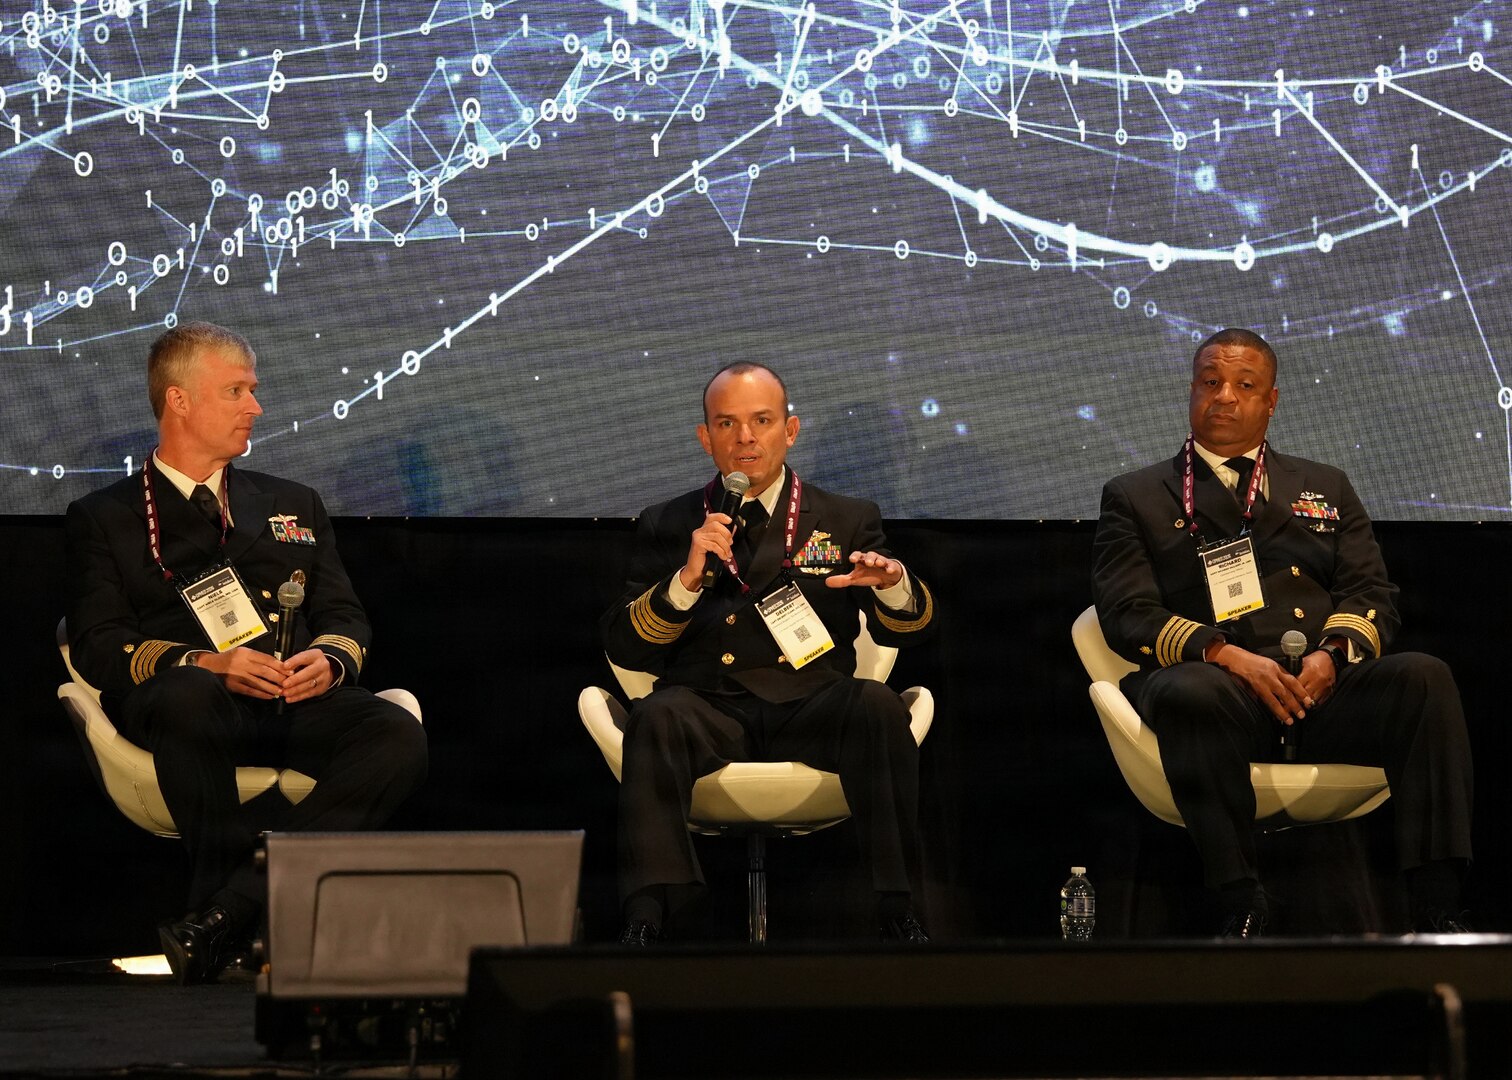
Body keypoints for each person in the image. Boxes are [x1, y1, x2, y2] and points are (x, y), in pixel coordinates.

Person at [65, 321, 428, 982]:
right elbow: (97, 647)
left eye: (253, 390)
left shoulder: (294, 503)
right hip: (190, 705)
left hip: (288, 699)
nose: (255, 407)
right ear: (179, 401)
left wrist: (330, 661)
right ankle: (236, 917)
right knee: (188, 696)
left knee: (396, 735)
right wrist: (206, 662)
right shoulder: (105, 516)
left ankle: (227, 914)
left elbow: (343, 616)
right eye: (236, 390)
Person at [1091, 327, 1473, 937]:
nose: (1224, 397)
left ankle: (1438, 903)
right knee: (1189, 691)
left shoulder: (1325, 484)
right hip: (1220, 687)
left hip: (1317, 687)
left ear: (1271, 401)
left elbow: (1372, 594)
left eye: (1244, 385)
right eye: (1210, 382)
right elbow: (1125, 612)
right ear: (1191, 392)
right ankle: (1239, 899)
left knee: (1424, 679)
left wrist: (1332, 656)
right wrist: (1226, 655)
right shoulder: (1136, 495)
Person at [602, 362, 937, 944]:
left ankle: (896, 908)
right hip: (710, 706)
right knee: (655, 716)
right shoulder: (670, 521)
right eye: (727, 424)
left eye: (761, 421)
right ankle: (648, 917)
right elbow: (624, 643)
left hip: (812, 702)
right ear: (705, 438)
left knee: (879, 706)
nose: (745, 438)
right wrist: (686, 577)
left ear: (791, 429)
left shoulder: (844, 517)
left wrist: (893, 585)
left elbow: (910, 631)